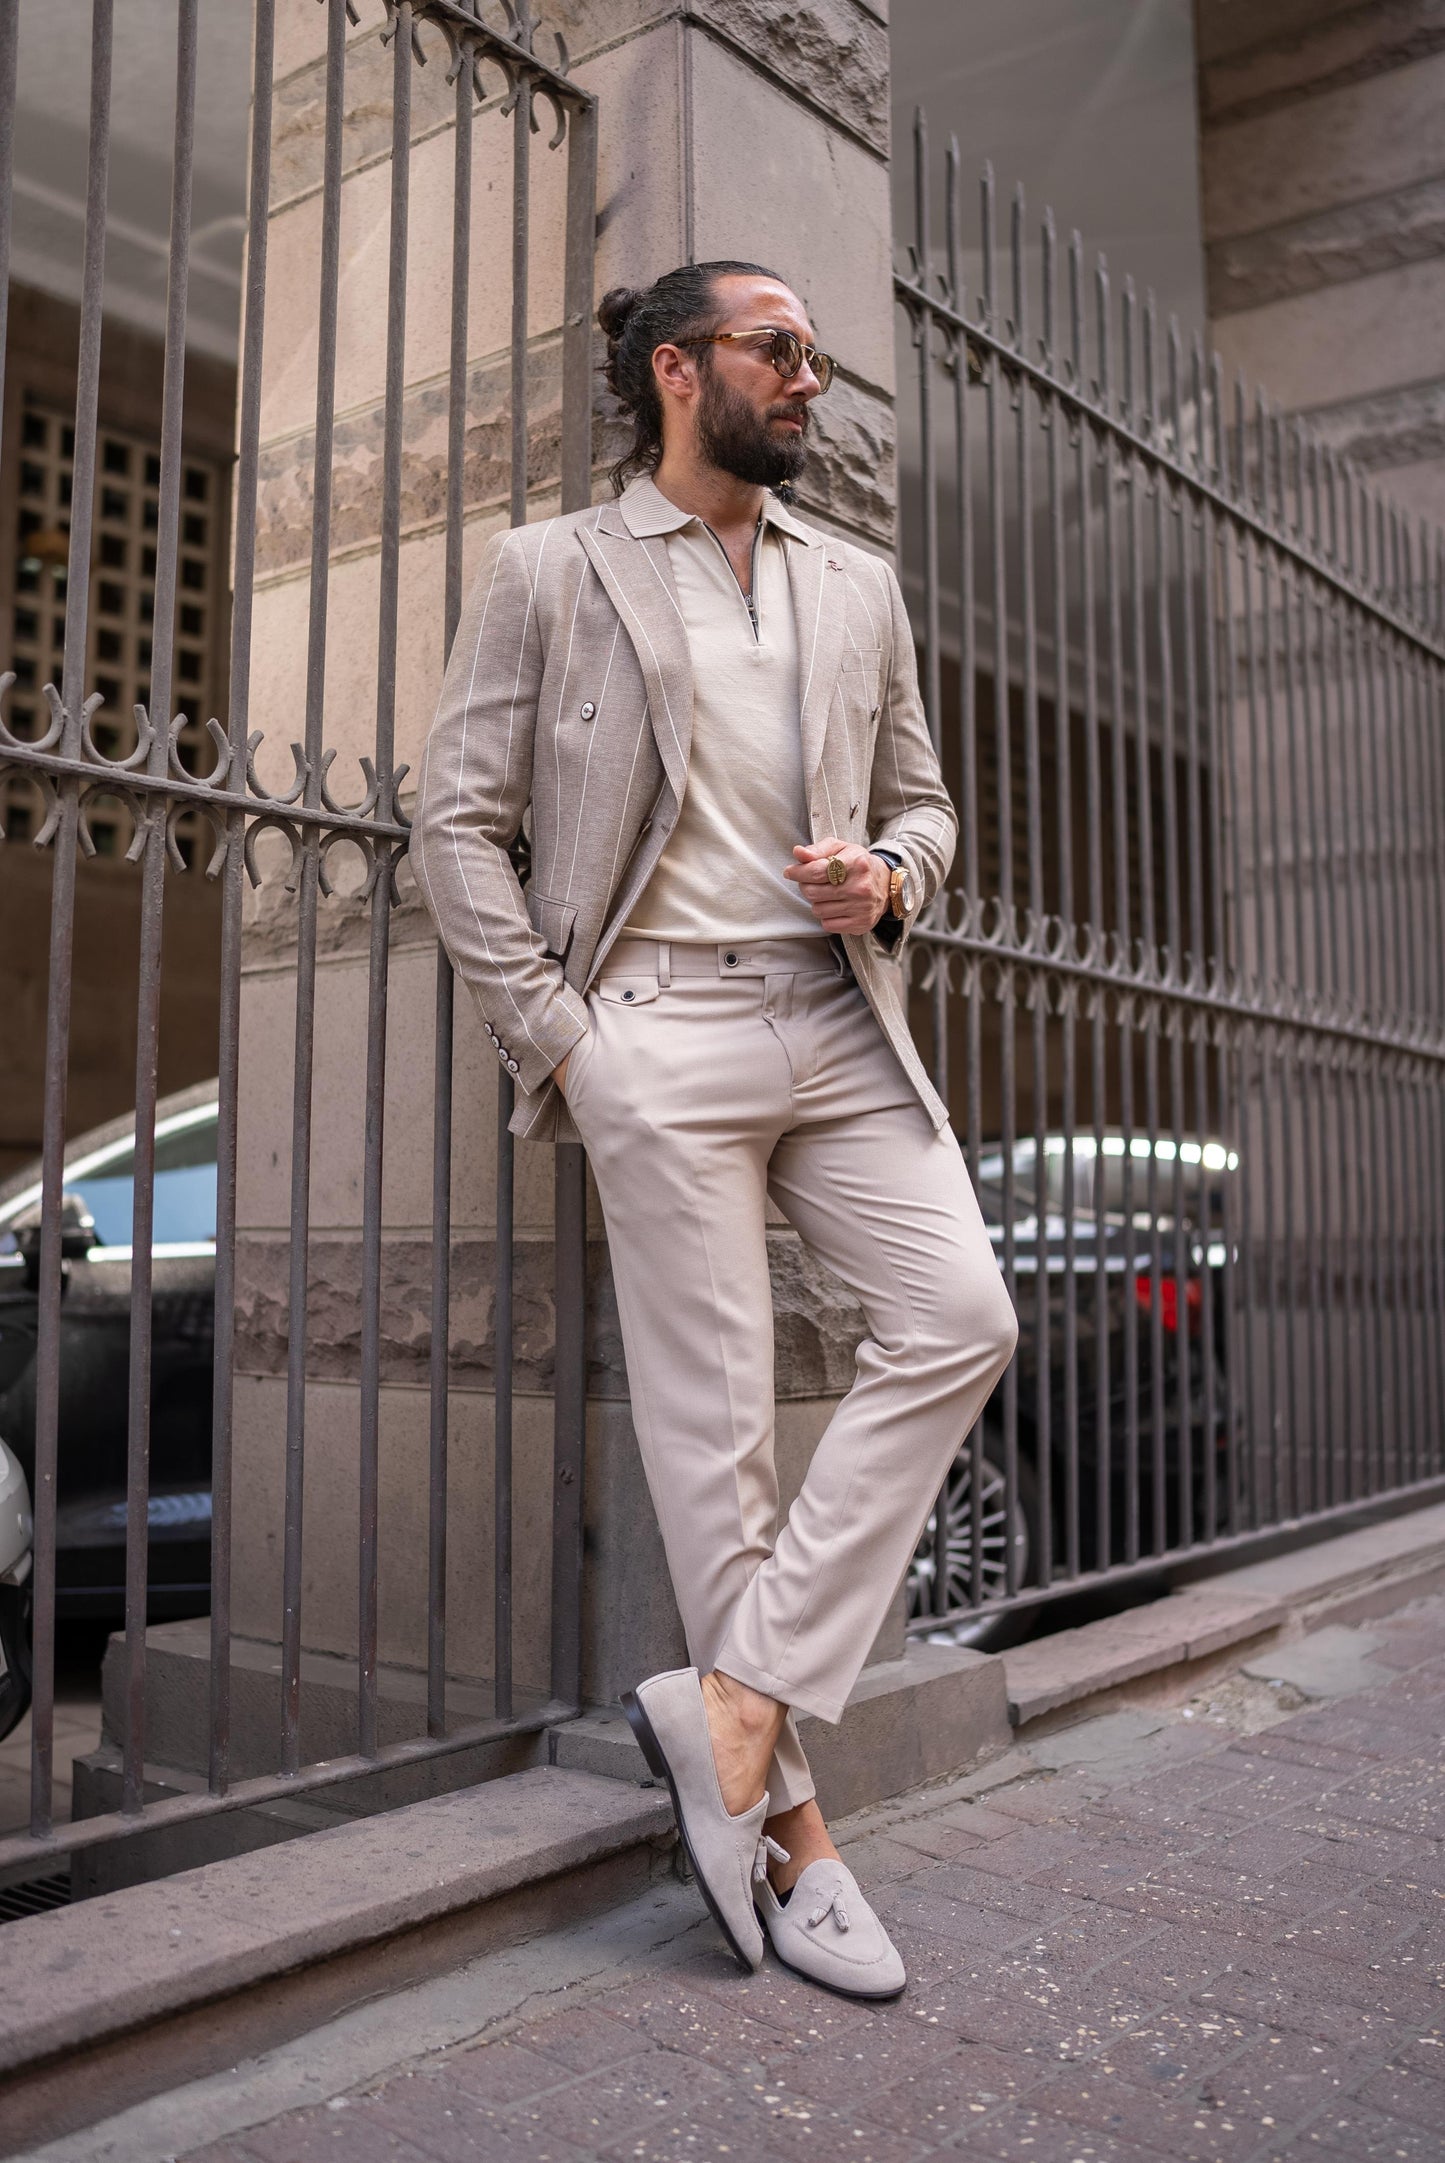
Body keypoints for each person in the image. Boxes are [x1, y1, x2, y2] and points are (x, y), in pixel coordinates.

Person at [411, 260, 1018, 1999]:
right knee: (716, 1441)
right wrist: (567, 1043)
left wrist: (889, 874)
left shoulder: (857, 587)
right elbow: (459, 824)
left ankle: (733, 1706)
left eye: (818, 357)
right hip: (653, 1029)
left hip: (837, 1018)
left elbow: (924, 802)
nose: (811, 381)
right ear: (678, 372)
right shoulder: (553, 569)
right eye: (780, 352)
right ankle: (798, 1841)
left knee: (957, 1319)